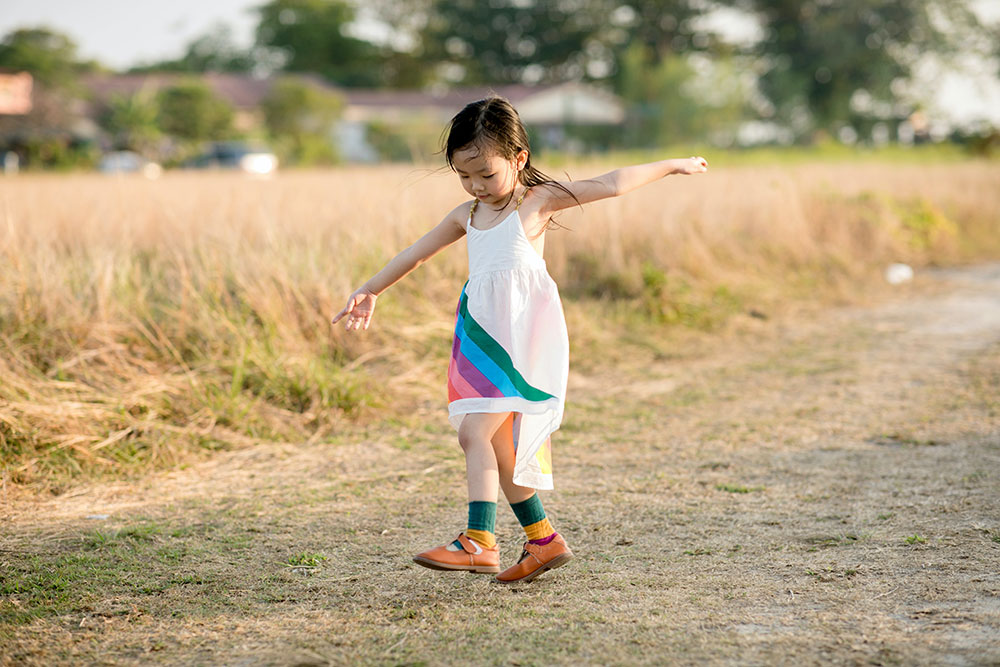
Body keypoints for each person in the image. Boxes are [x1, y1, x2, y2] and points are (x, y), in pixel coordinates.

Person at [333, 96, 708, 583]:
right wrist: (370, 290)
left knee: (474, 433)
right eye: (464, 175)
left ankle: (478, 541)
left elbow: (611, 183)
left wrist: (674, 165)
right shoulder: (464, 215)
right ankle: (544, 541)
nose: (476, 186)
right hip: (480, 334)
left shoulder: (538, 202)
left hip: (521, 337)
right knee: (500, 446)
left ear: (518, 159)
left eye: (486, 174)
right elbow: (415, 253)